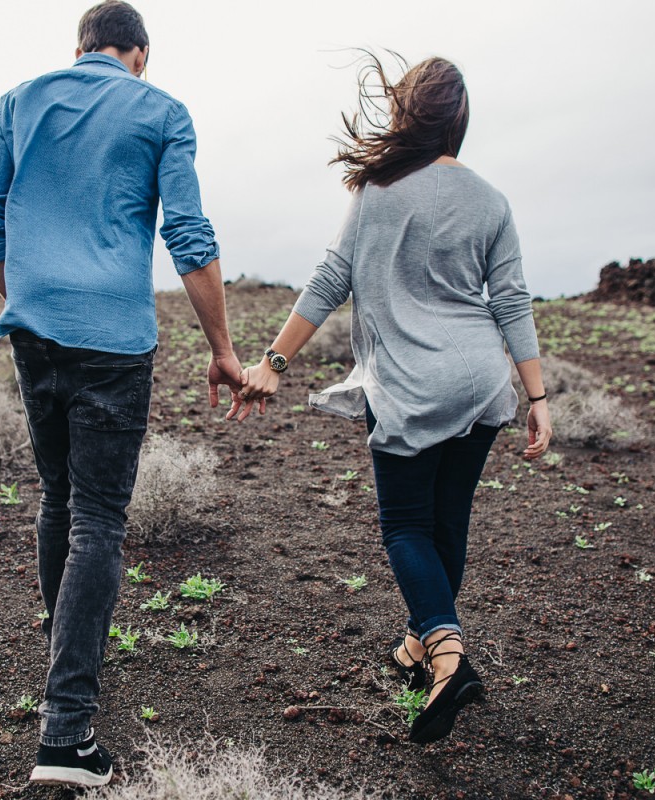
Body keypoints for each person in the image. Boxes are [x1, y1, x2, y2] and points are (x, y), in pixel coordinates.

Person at [231, 54, 552, 745]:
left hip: (409, 383)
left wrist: (273, 361)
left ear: (408, 114)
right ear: (459, 122)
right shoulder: (492, 200)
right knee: (447, 524)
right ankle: (416, 648)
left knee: (407, 527)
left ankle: (447, 656)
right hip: (482, 383)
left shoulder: (378, 189)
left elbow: (329, 279)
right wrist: (538, 395)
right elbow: (513, 302)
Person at [0, 1, 242, 787]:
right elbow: (188, 237)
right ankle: (67, 731)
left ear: (79, 48)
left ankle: (67, 654)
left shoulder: (16, 103)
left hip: (33, 329)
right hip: (115, 339)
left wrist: (34, 295)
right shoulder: (161, 111)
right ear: (139, 54)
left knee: (59, 499)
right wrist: (221, 350)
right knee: (98, 519)